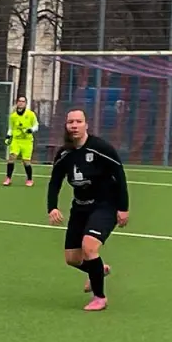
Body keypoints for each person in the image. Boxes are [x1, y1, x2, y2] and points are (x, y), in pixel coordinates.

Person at [47, 109, 129, 311]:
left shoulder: (100, 148)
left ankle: (100, 298)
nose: (74, 125)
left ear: (86, 125)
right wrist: (52, 207)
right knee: (72, 259)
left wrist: (123, 208)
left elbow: (119, 175)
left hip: (105, 205)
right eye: (70, 122)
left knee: (89, 246)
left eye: (79, 121)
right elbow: (55, 182)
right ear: (66, 126)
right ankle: (98, 270)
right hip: (80, 207)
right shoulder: (64, 153)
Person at [4, 95, 40, 186]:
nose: (21, 103)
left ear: (26, 104)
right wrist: (8, 136)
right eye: (19, 101)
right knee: (12, 157)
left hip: (27, 141)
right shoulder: (13, 116)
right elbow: (11, 128)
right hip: (16, 140)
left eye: (23, 101)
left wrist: (31, 130)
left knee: (26, 161)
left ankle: (29, 179)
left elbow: (36, 125)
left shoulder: (30, 114)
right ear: (17, 103)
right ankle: (8, 178)